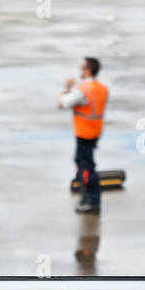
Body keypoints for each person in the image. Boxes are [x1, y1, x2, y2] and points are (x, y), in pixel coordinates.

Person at [57, 57, 109, 214]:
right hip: (95, 131)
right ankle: (90, 197)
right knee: (84, 163)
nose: (81, 70)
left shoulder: (83, 90)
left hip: (84, 132)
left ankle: (90, 200)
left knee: (85, 167)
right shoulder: (102, 88)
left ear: (88, 70)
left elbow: (63, 103)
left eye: (82, 68)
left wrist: (66, 89)